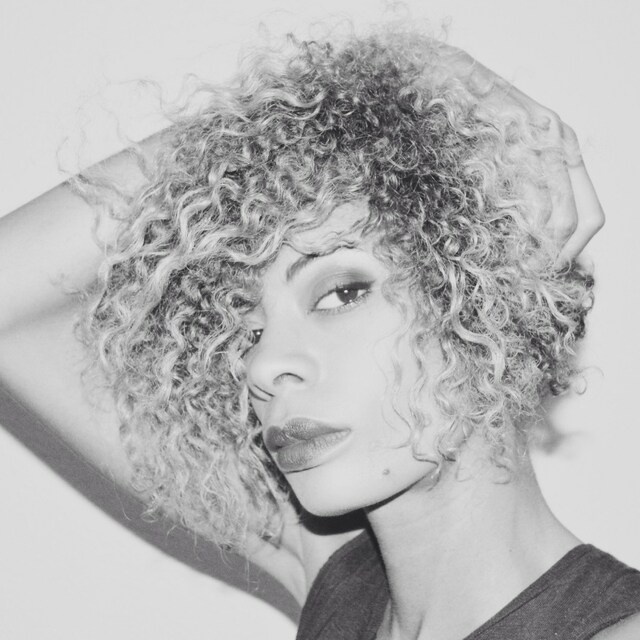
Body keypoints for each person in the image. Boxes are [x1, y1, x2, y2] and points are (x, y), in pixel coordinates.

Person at [1, 26, 637, 639]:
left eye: (341, 293)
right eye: (246, 331)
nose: (262, 366)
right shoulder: (342, 585)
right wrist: (331, 101)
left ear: (484, 292)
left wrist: (400, 95)